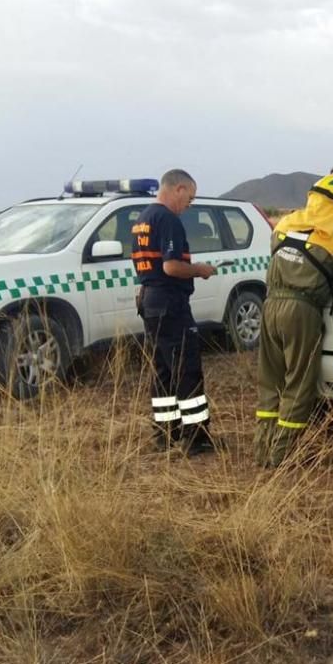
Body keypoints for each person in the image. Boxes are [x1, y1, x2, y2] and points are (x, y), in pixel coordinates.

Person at [254, 174, 333, 467]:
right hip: (302, 311)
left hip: (270, 304)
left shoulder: (284, 225)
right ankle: (283, 455)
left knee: (270, 379)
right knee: (299, 382)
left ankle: (262, 448)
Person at [132, 169, 217, 455]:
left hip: (150, 301)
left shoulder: (143, 219)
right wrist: (199, 270)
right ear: (178, 189)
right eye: (189, 199)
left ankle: (165, 433)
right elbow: (171, 266)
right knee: (187, 369)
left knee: (163, 370)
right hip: (170, 302)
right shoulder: (168, 220)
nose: (188, 206)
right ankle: (197, 439)